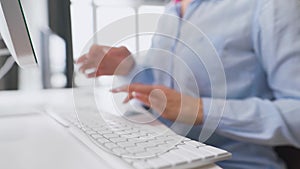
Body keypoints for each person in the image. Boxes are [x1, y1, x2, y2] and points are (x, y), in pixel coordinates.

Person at [76, 0, 300, 168]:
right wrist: (129, 69)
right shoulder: (172, 8)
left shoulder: (270, 5)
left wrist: (201, 110)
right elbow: (169, 98)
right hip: (168, 155)